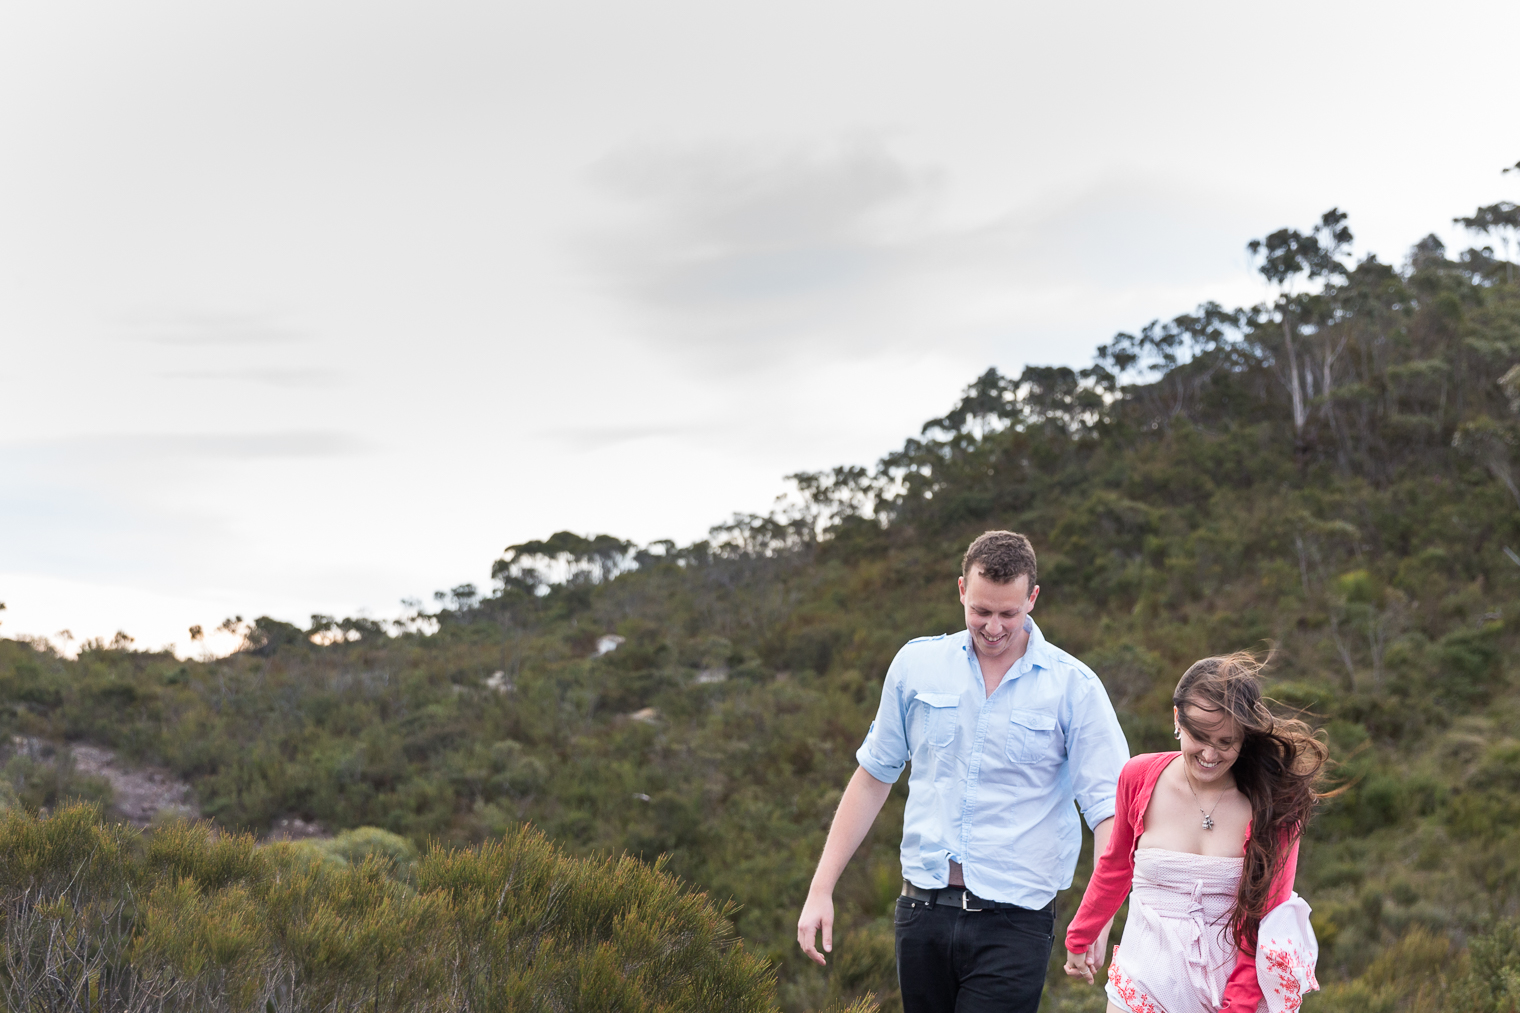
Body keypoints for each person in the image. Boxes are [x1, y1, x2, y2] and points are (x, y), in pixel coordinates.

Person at [797, 530, 1130, 1013]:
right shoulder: (916, 665)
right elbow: (873, 777)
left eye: (1008, 614)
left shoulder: (1074, 687)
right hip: (921, 914)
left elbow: (1109, 811)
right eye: (981, 611)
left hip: (1015, 924)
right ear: (961, 591)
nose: (993, 627)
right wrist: (820, 889)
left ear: (1032, 598)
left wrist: (1099, 915)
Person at [1063, 653, 1328, 1013]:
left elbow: (1267, 921)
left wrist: (1238, 1007)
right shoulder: (1138, 777)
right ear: (1177, 718)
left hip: (1235, 996)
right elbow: (1115, 865)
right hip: (1141, 987)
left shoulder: (1275, 804)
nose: (1209, 754)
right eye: (1199, 736)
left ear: (1245, 736)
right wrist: (1081, 934)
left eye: (1226, 742)